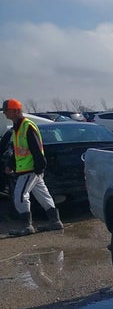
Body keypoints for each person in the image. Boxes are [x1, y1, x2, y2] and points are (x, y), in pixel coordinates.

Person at [1, 98, 63, 236]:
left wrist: (39, 167)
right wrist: (11, 164)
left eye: (6, 111)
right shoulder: (18, 127)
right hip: (28, 169)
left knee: (20, 196)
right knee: (43, 195)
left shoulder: (26, 126)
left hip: (29, 169)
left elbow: (36, 147)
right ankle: (55, 221)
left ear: (15, 111)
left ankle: (27, 226)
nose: (5, 113)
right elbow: (18, 149)